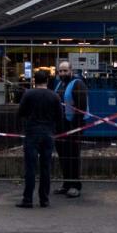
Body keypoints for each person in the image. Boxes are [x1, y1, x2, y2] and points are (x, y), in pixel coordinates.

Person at [16, 69, 63, 208]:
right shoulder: (54, 96)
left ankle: (28, 199)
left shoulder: (28, 94)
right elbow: (59, 117)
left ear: (34, 81)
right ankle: (44, 199)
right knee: (46, 167)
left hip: (32, 133)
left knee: (30, 167)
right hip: (48, 133)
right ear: (47, 81)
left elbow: (21, 112)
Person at [53, 60, 88, 198]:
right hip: (60, 127)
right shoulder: (60, 85)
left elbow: (81, 108)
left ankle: (75, 185)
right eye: (60, 71)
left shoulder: (77, 84)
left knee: (73, 156)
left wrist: (76, 129)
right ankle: (66, 184)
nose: (62, 73)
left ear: (71, 71)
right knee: (63, 156)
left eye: (65, 70)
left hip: (73, 127)